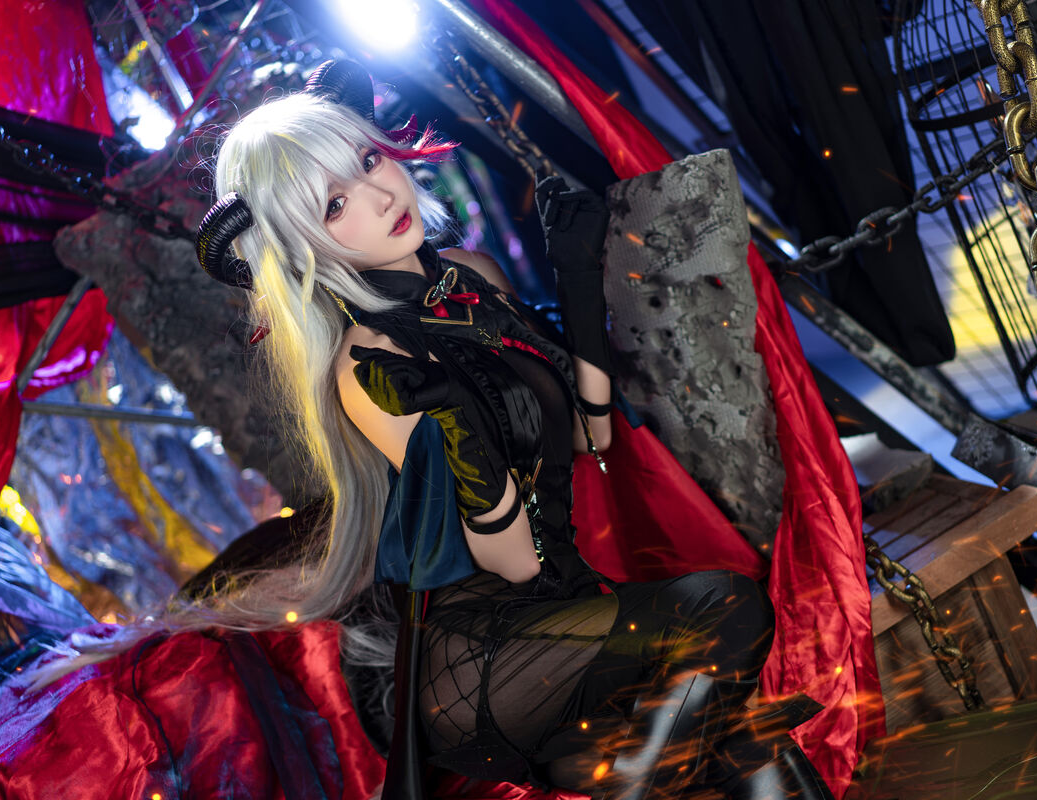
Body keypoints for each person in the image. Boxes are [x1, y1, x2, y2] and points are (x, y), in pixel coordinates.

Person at [191, 60, 831, 799]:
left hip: (563, 609)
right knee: (727, 608)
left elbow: (591, 438)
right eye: (335, 204)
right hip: (486, 658)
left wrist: (576, 283)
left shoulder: (474, 277)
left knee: (747, 744)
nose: (380, 194)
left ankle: (637, 778)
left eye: (367, 160)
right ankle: (637, 782)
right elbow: (513, 559)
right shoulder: (368, 365)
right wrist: (455, 421)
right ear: (305, 247)